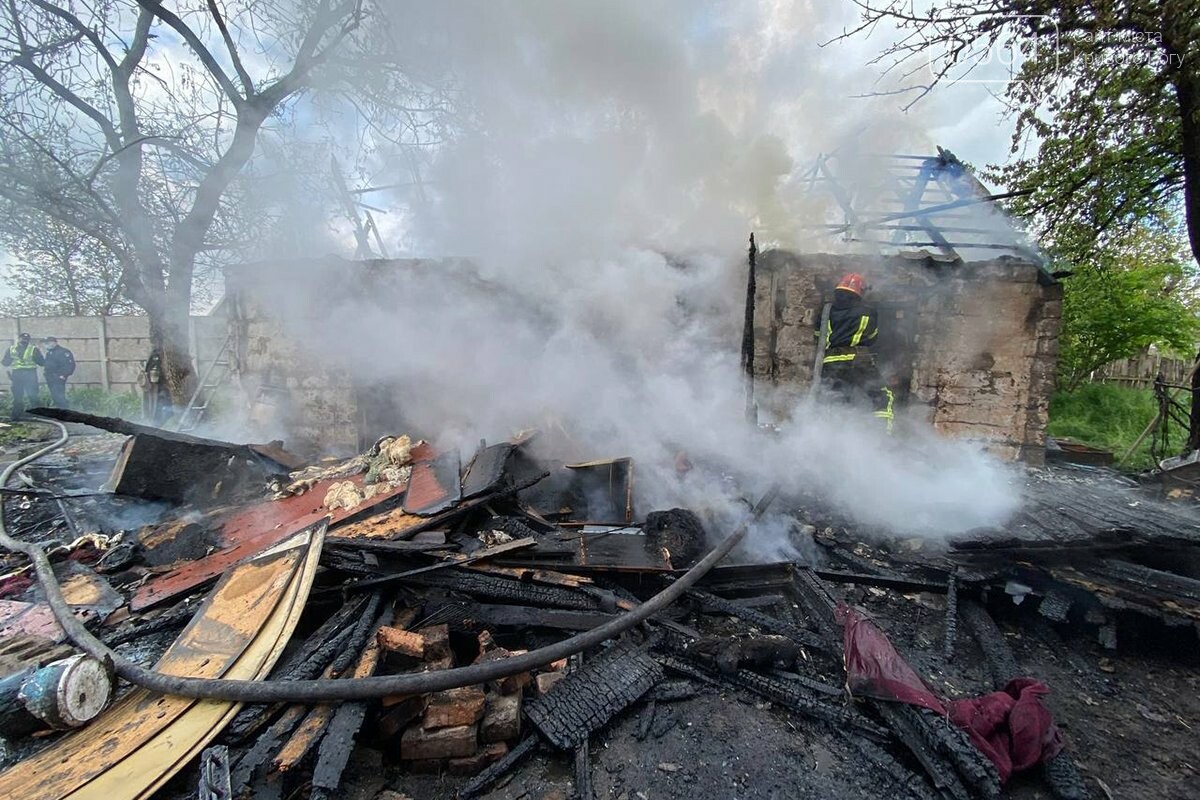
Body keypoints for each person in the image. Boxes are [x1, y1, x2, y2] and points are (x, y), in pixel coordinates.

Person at [818, 272, 895, 433]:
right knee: (882, 396)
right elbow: (873, 337)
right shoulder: (868, 312)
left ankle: (833, 438)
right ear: (860, 292)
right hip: (858, 360)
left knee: (835, 399)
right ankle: (883, 435)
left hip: (831, 363)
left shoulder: (827, 311)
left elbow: (818, 337)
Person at [2, 332, 44, 419]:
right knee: (17, 396)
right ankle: (17, 415)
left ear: (28, 340)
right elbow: (5, 363)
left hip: (30, 374)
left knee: (32, 395)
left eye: (26, 339)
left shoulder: (33, 349)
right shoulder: (11, 349)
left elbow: (41, 362)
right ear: (19, 339)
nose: (24, 340)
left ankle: (37, 414)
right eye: (23, 338)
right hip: (17, 375)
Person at [42, 336, 76, 409]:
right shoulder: (50, 352)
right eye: (45, 343)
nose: (46, 345)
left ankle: (65, 413)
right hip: (50, 377)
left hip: (58, 377)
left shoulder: (63, 352)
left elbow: (70, 365)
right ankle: (60, 413)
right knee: (55, 396)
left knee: (59, 397)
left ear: (54, 343)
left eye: (48, 343)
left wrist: (63, 375)